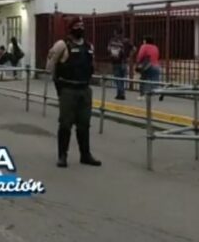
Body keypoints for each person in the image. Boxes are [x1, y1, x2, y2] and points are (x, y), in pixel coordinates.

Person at [46, 17, 102, 168]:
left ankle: (85, 155)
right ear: (70, 28)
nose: (80, 28)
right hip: (68, 90)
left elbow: (91, 65)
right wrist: (58, 85)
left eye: (82, 25)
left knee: (84, 124)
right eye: (76, 25)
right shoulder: (62, 45)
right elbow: (50, 65)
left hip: (85, 89)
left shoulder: (89, 46)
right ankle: (62, 156)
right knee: (65, 124)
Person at [107, 28, 135, 100]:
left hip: (116, 62)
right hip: (124, 62)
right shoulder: (126, 41)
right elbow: (134, 49)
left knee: (117, 79)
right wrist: (129, 57)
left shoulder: (112, 41)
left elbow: (108, 49)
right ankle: (120, 93)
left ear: (115, 32)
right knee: (122, 79)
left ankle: (120, 94)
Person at [136, 36, 161, 100]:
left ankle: (142, 95)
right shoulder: (155, 47)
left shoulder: (144, 46)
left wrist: (138, 63)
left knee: (143, 79)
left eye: (144, 40)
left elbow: (140, 56)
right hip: (156, 66)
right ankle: (153, 94)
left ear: (145, 41)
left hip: (148, 66)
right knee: (154, 80)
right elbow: (157, 56)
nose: (143, 41)